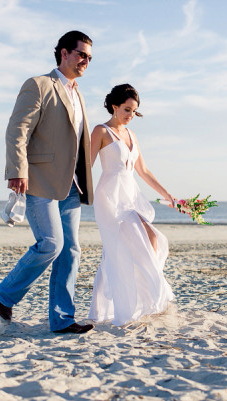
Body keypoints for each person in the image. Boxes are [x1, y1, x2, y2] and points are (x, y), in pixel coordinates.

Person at [0, 31, 95, 334]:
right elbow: (17, 129)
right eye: (81, 55)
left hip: (72, 185)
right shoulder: (38, 85)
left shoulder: (78, 93)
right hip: (39, 179)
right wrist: (17, 170)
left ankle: (62, 320)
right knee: (51, 244)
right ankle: (5, 295)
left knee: (71, 250)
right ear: (64, 53)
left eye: (90, 57)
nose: (86, 61)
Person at [87, 84, 176, 326]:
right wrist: (77, 194)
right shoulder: (101, 131)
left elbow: (143, 170)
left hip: (131, 195)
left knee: (151, 241)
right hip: (111, 198)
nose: (130, 116)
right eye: (127, 110)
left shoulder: (131, 135)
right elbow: (86, 166)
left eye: (134, 112)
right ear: (114, 106)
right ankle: (143, 304)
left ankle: (138, 300)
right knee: (129, 246)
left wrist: (167, 195)